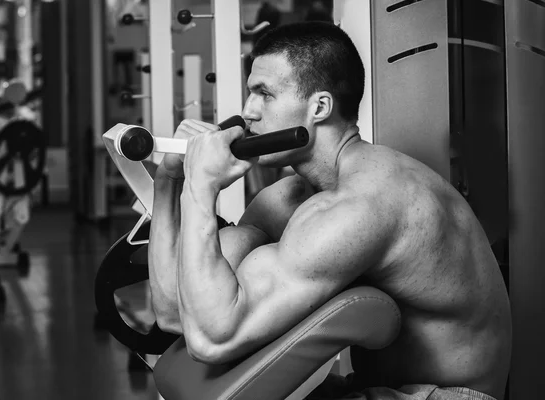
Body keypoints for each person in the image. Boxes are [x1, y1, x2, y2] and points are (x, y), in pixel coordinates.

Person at [148, 22, 512, 400]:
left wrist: (201, 188)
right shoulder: (290, 198)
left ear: (319, 107)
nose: (247, 112)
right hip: (379, 389)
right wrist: (170, 181)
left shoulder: (364, 203)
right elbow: (176, 313)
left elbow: (212, 340)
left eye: (264, 94)